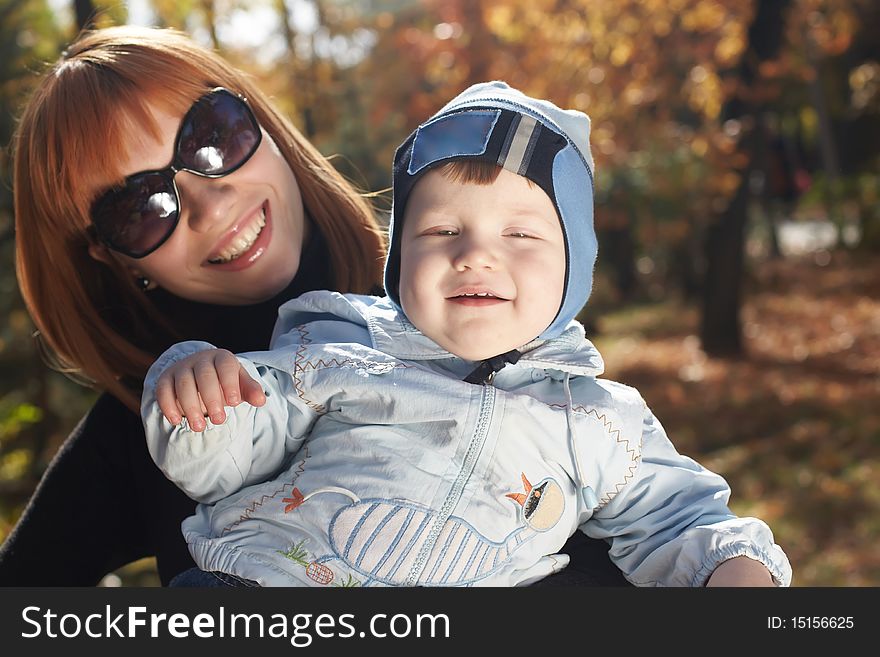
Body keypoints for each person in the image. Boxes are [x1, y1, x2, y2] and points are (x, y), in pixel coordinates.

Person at [0, 26, 626, 587]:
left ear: (262, 123)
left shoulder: (462, 296)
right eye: (138, 208)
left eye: (212, 137)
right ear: (111, 259)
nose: (211, 205)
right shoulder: (146, 423)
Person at [142, 81, 792, 587]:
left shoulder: (601, 423)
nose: (476, 255)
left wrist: (732, 568)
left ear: (575, 266)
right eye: (442, 232)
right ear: (400, 262)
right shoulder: (339, 350)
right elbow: (228, 455)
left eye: (520, 234)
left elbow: (680, 520)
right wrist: (200, 394)